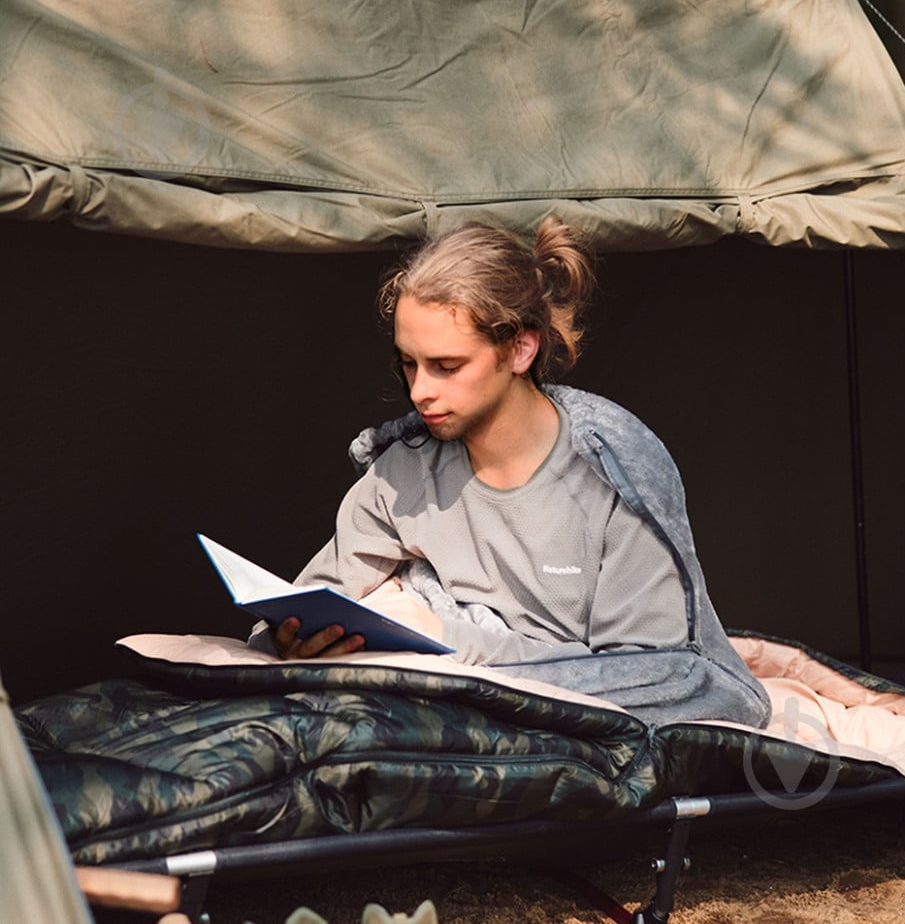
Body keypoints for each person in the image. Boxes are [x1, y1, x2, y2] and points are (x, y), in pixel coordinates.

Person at [250, 217, 770, 727]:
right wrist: (289, 636)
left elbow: (655, 675)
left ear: (521, 348)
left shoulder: (612, 471)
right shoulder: (403, 469)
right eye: (408, 363)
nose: (419, 391)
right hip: (448, 713)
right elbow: (300, 605)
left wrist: (459, 648)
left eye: (447, 366)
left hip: (573, 709)